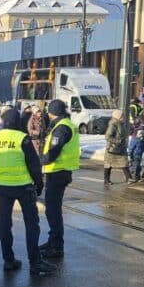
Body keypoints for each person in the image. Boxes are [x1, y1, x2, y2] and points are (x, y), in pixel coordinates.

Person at [0, 108, 54, 276]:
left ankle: (8, 260)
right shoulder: (23, 138)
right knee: (31, 224)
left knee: (5, 223)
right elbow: (33, 165)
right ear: (18, 121)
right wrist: (39, 185)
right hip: (23, 187)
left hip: (1, 187)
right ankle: (35, 262)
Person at [40, 99, 80, 259]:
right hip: (61, 171)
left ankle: (56, 246)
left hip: (57, 171)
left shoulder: (61, 127)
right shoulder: (67, 124)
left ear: (52, 112)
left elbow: (53, 151)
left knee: (53, 210)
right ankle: (53, 241)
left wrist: (39, 161)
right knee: (53, 209)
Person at [103, 109, 131, 185]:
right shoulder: (113, 124)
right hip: (113, 148)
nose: (123, 117)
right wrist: (118, 141)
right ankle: (106, 180)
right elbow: (107, 136)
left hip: (121, 148)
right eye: (122, 116)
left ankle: (129, 178)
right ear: (118, 116)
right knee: (108, 164)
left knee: (124, 162)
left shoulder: (121, 124)